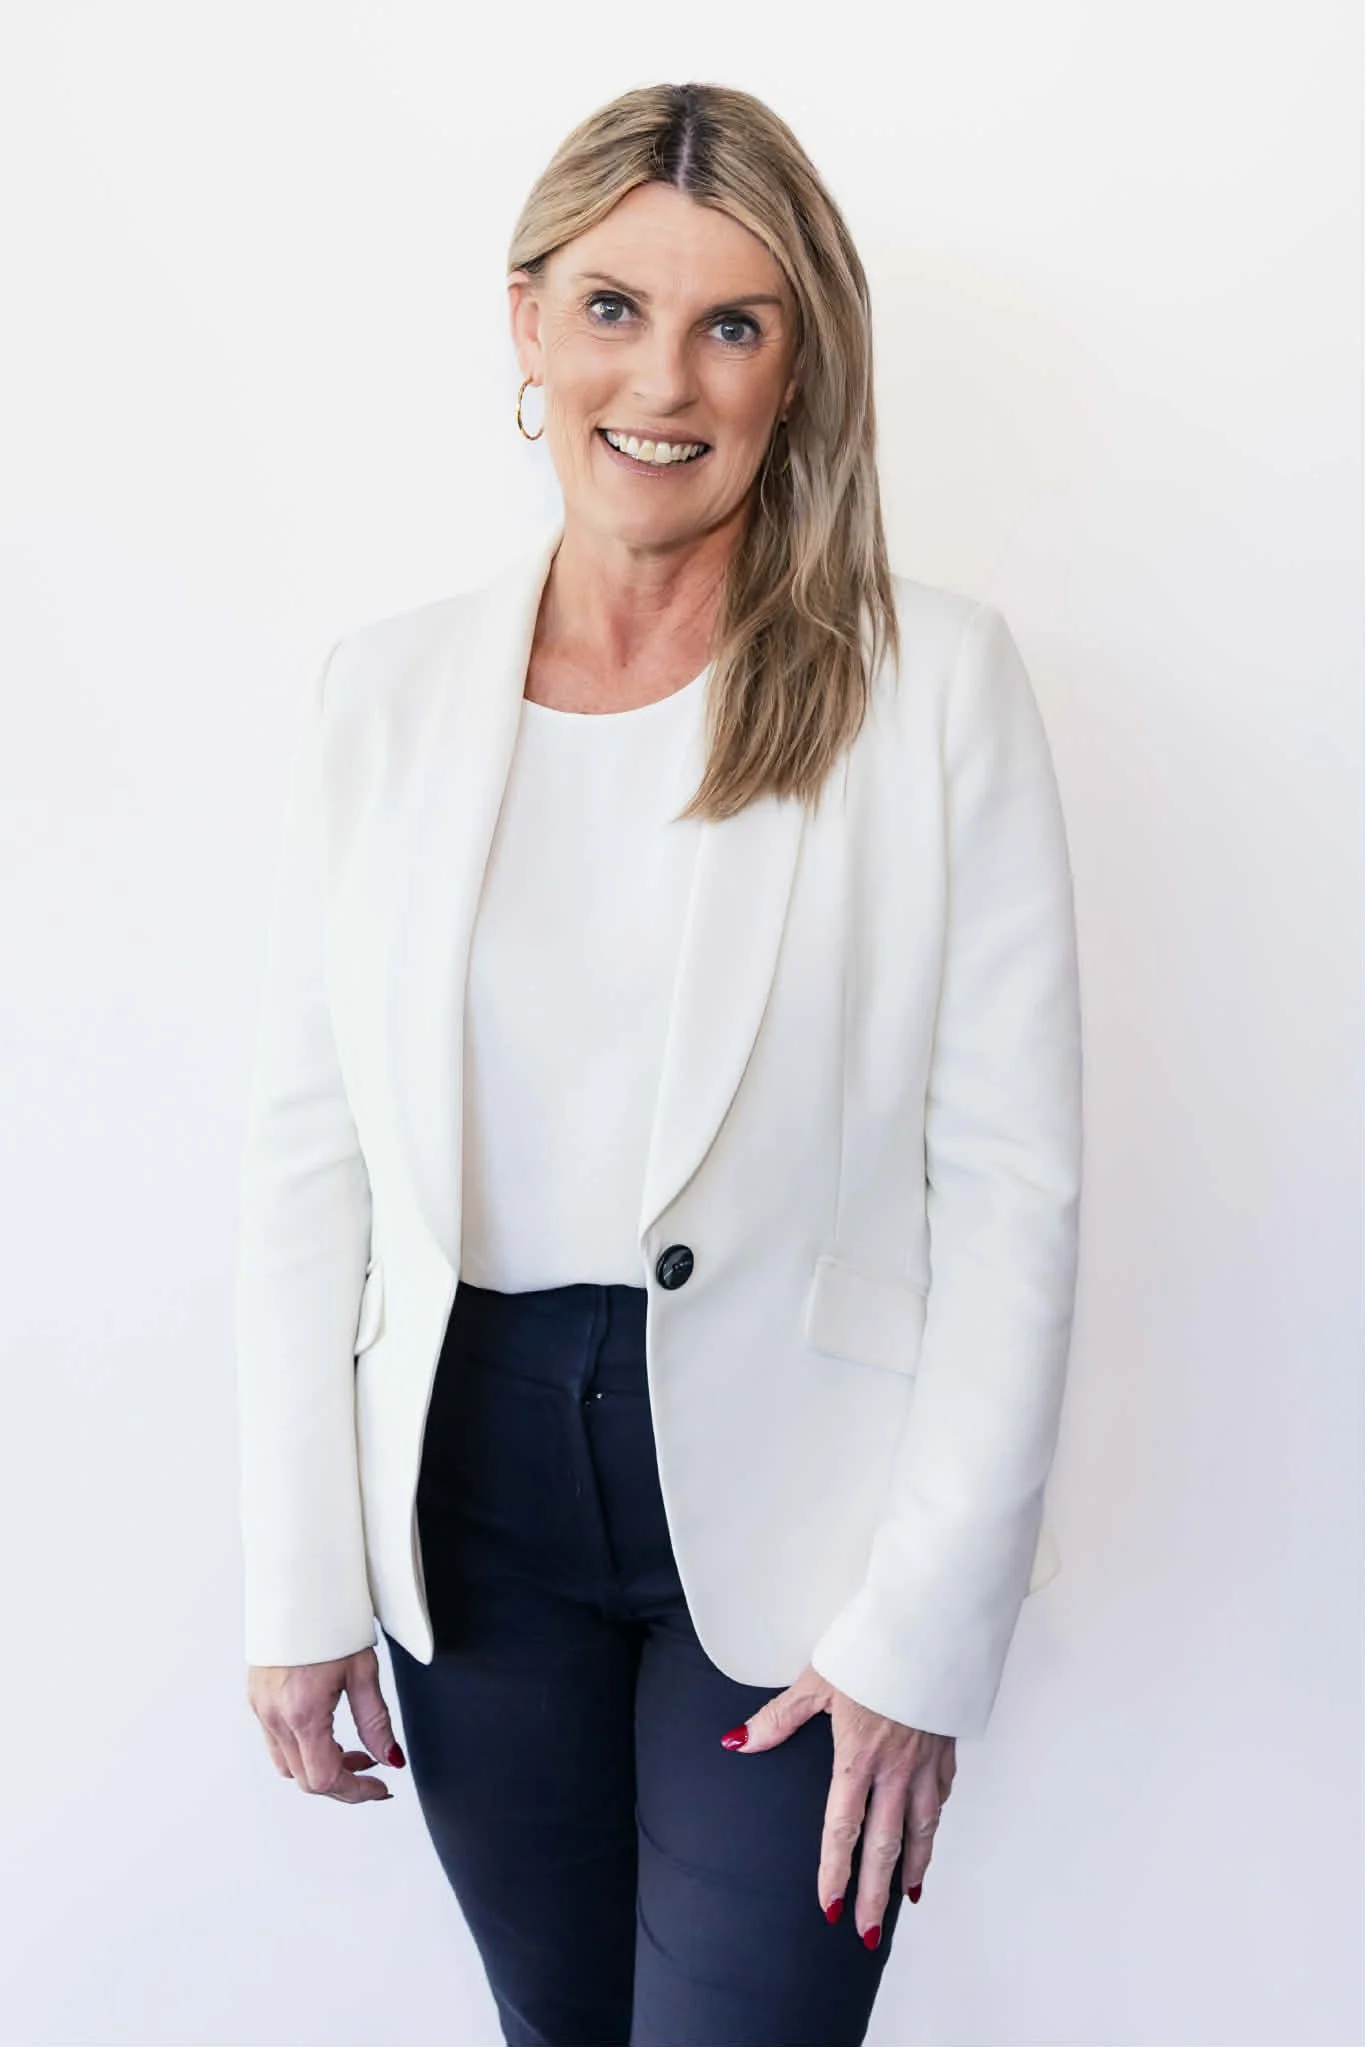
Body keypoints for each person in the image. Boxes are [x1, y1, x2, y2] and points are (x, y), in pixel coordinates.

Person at [234, 79, 1083, 2047]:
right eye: (613, 309)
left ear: (801, 366)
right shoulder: (379, 701)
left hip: (803, 1508)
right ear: (525, 326)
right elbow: (305, 1161)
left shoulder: (930, 688)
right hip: (468, 1493)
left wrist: (925, 1634)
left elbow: (1015, 1188)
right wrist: (293, 1581)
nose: (666, 382)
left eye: (734, 324)